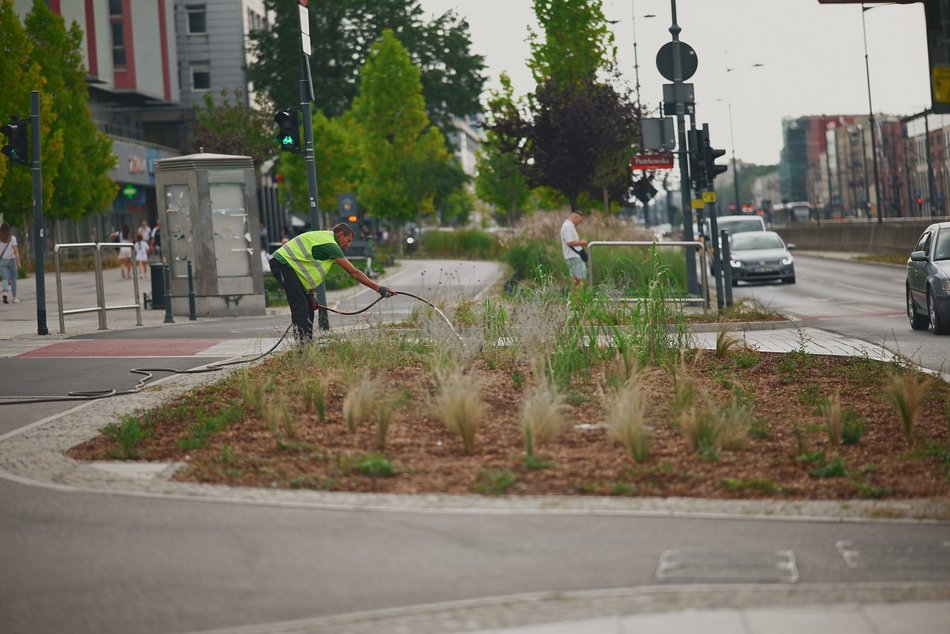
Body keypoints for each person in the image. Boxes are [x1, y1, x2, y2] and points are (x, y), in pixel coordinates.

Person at [269, 223, 397, 343]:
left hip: (291, 268)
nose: (349, 245)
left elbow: (311, 270)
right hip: (282, 263)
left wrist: (311, 295)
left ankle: (307, 343)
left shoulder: (325, 240)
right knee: (300, 307)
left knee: (308, 307)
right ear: (340, 234)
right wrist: (379, 288)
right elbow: (354, 272)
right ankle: (303, 347)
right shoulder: (331, 245)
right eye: (348, 240)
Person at [560, 211, 589, 287]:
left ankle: (574, 298)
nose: (580, 223)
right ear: (576, 217)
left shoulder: (568, 226)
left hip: (571, 256)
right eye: (580, 220)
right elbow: (569, 242)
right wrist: (582, 243)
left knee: (575, 280)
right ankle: (579, 298)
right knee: (582, 280)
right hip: (574, 256)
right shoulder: (568, 226)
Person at [0, 222, 22, 304]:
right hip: (12, 260)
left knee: (5, 278)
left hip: (3, 261)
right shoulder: (12, 238)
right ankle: (14, 297)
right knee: (13, 280)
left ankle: (5, 292)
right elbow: (16, 251)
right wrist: (18, 262)